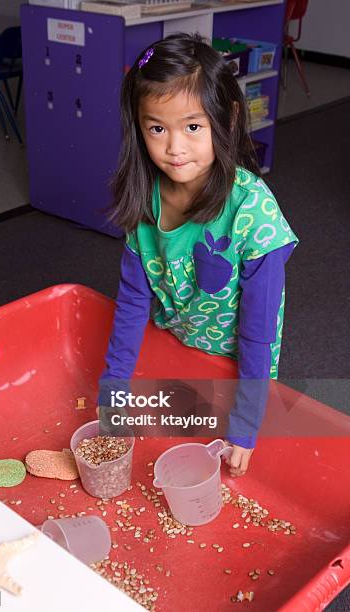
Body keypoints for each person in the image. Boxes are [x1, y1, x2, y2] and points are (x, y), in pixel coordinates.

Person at [97, 33, 299, 477]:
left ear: (225, 120)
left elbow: (258, 334)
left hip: (238, 365)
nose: (174, 147)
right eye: (157, 128)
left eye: (192, 126)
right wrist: (113, 390)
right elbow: (132, 302)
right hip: (178, 346)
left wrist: (246, 424)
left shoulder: (254, 211)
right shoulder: (143, 199)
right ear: (138, 127)